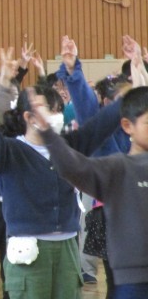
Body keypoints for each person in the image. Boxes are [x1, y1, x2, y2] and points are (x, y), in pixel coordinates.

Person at [0, 48, 127, 299]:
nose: (56, 115)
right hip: (28, 250)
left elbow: (102, 122)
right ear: (28, 116)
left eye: (58, 109)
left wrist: (131, 90)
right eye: (49, 109)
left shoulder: (69, 145)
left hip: (68, 248)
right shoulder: (10, 151)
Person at [29, 84, 148, 298]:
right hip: (132, 280)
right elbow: (73, 167)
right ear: (127, 125)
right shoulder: (118, 167)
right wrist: (48, 134)